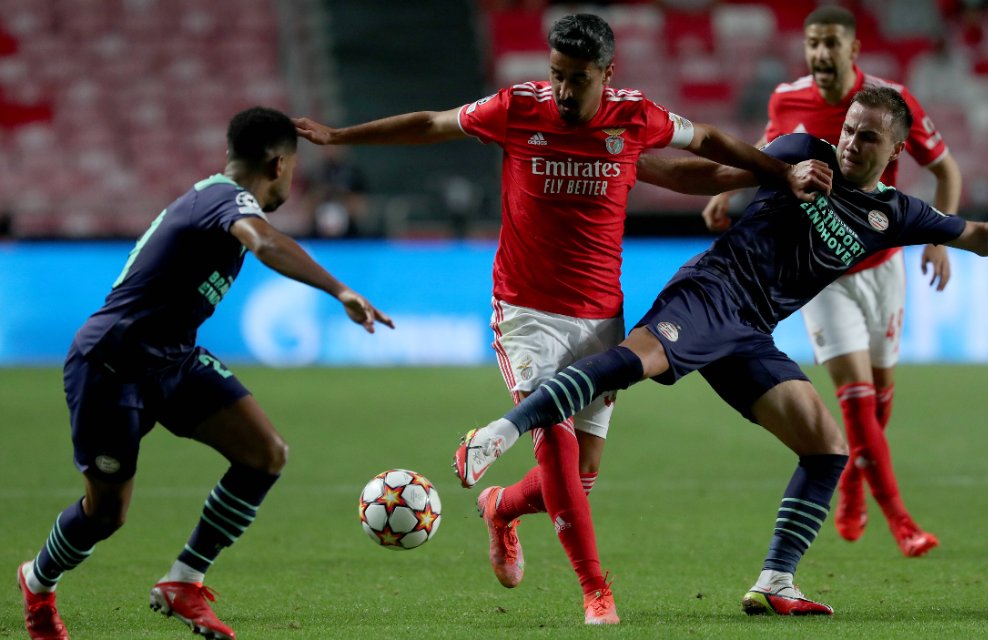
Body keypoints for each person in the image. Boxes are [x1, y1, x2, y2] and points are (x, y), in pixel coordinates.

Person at [293, 13, 829, 625]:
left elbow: (705, 142)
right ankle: (595, 591)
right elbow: (432, 124)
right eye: (556, 76)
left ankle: (500, 508)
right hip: (526, 311)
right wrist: (340, 138)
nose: (565, 92)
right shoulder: (518, 107)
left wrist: (777, 172)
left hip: (601, 314)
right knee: (554, 440)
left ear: (607, 74)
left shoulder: (634, 114)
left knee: (581, 473)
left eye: (577, 79)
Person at [455, 86, 988, 617]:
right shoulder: (802, 151)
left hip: (752, 333)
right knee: (633, 363)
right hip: (712, 292)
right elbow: (712, 170)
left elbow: (982, 236)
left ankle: (776, 580)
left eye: (868, 137)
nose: (851, 142)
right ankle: (500, 432)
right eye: (850, 129)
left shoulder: (895, 214)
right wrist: (618, 158)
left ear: (896, 149)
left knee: (826, 448)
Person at [16, 106, 393, 640]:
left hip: (172, 357)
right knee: (105, 516)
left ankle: (183, 582)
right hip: (111, 364)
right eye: (294, 169)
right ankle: (37, 582)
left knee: (265, 454)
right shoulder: (224, 198)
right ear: (280, 163)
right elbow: (264, 243)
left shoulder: (216, 198)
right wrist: (340, 290)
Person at [700, 6, 963, 557]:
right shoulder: (786, 99)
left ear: (853, 49)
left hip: (881, 264)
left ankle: (850, 490)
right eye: (812, 43)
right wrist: (727, 191)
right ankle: (902, 521)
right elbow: (768, 160)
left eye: (831, 44)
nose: (820, 54)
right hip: (820, 274)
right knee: (858, 405)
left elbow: (946, 170)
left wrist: (937, 238)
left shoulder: (890, 105)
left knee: (881, 402)